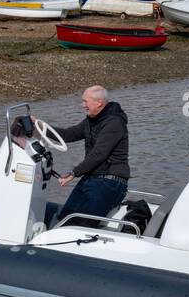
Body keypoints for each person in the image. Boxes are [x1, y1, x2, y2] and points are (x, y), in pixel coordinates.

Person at [25, 86, 130, 226]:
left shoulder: (114, 123)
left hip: (110, 182)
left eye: (85, 101)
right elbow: (68, 135)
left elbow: (99, 154)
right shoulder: (91, 121)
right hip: (91, 178)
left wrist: (73, 173)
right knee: (64, 218)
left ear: (99, 102)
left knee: (80, 225)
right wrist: (38, 126)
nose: (83, 105)